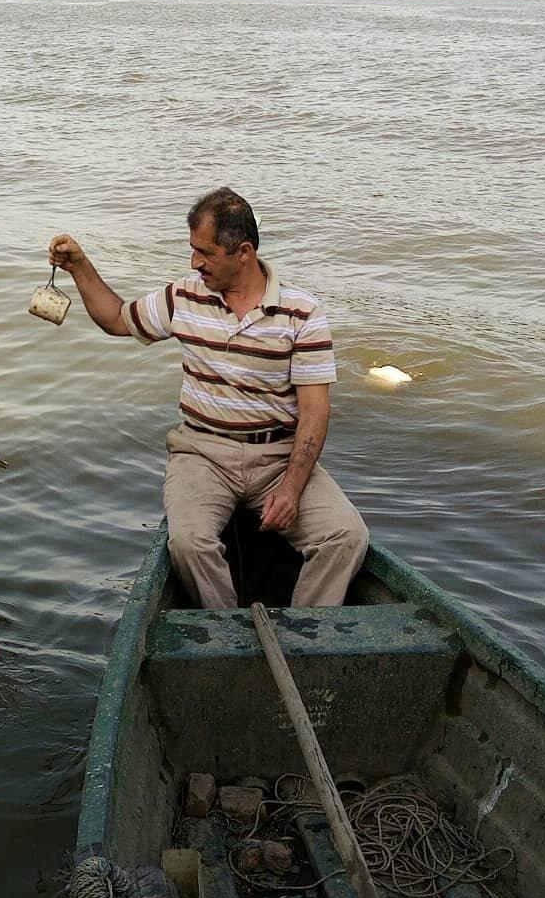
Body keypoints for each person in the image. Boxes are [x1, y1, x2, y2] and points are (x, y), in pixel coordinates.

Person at [47, 187, 368, 609]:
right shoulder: (183, 297)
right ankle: (224, 634)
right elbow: (115, 319)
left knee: (347, 537)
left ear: (244, 252)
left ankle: (300, 637)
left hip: (278, 458)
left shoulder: (302, 314)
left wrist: (290, 489)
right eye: (193, 251)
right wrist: (79, 267)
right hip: (201, 454)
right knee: (189, 543)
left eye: (205, 253)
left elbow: (314, 413)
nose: (195, 262)